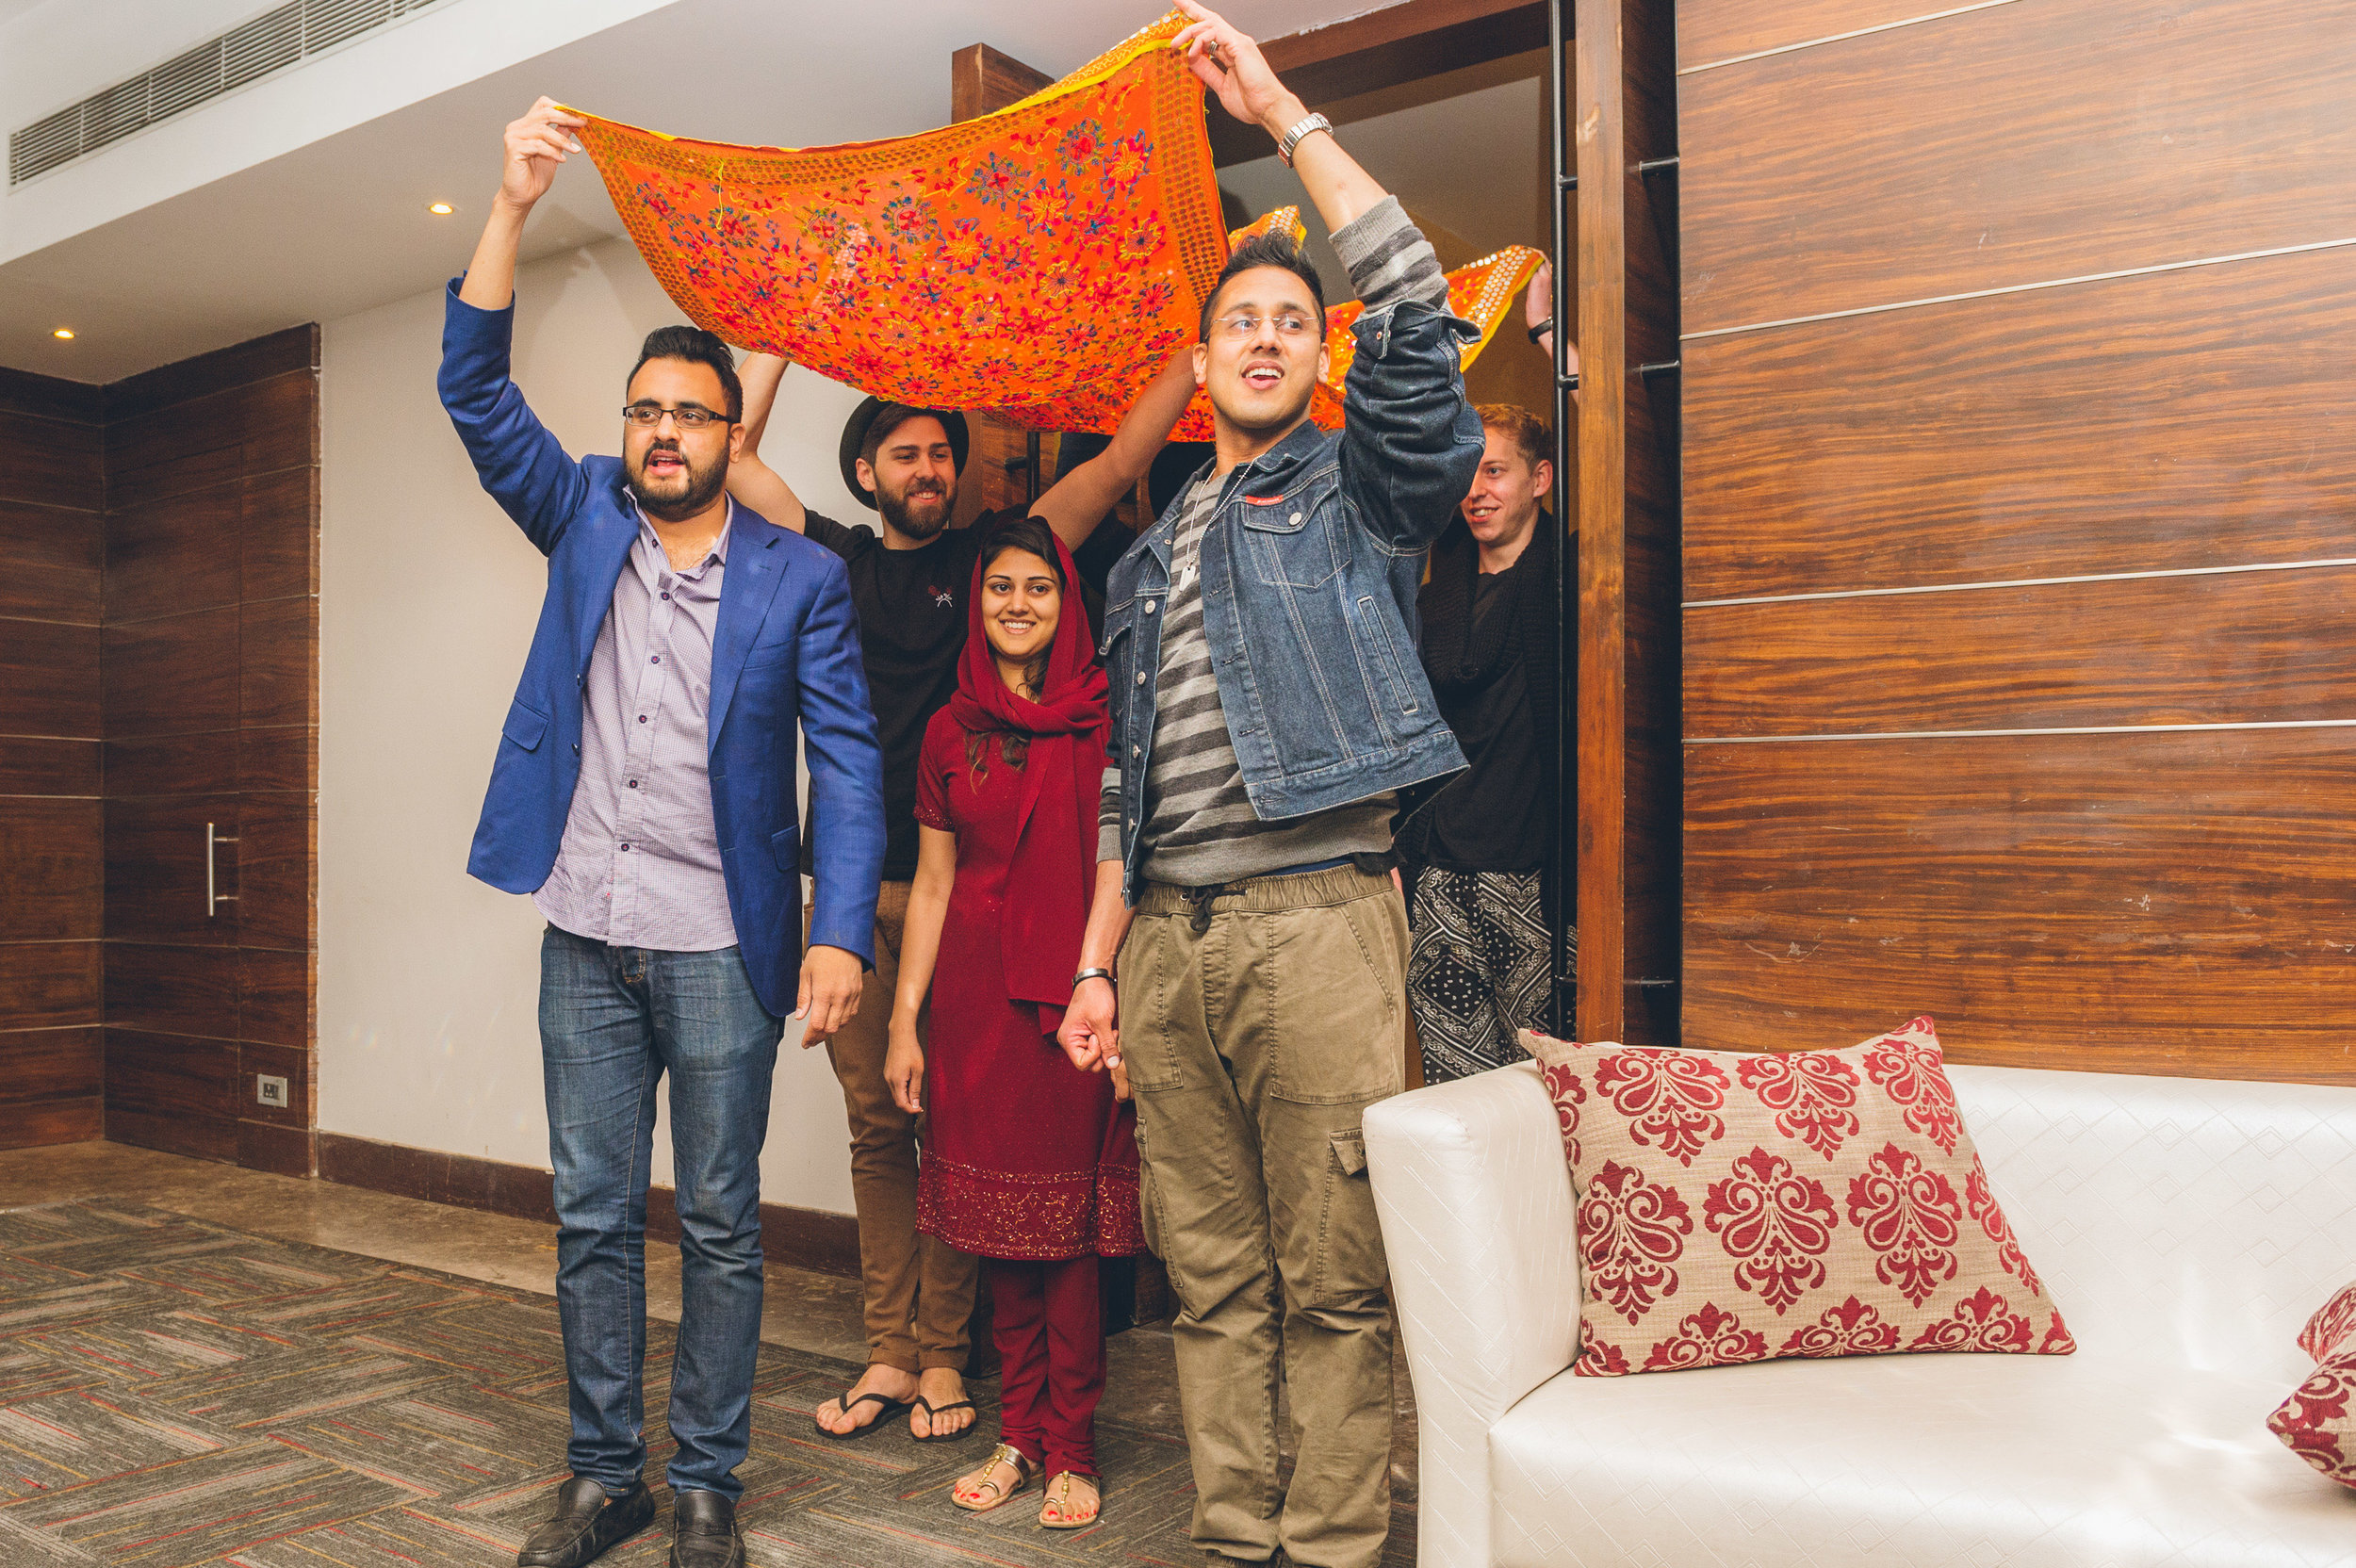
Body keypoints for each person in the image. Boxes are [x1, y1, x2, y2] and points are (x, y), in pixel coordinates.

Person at [1055, 7, 1485, 1565]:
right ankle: (1240, 1541)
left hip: (1316, 925)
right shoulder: (1155, 545)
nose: (1259, 336)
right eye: (1237, 317)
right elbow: (1125, 779)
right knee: (1212, 1277)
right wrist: (1100, 960)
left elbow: (1419, 303)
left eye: (1287, 323)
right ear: (1201, 352)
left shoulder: (1362, 487)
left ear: (1317, 357)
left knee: (1334, 1277)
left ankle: (1331, 1548)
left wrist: (1282, 106)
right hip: (1167, 943)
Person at [439, 99, 883, 1568]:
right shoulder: (577, 518)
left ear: (727, 433)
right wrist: (505, 207)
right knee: (585, 1215)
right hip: (585, 934)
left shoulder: (797, 578)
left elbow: (853, 761)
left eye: (692, 414)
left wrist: (836, 933)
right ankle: (601, 1474)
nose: (666, 433)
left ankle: (705, 1487)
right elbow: (471, 391)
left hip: (722, 951)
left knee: (724, 1226)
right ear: (625, 429)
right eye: (645, 412)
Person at [722, 351, 1195, 1441]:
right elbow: (735, 455)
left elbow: (1124, 456)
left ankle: (946, 1355)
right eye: (907, 453)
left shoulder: (1000, 557)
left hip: (971, 898)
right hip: (850, 898)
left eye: (942, 450)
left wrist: (1187, 352)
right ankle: (889, 1348)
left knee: (955, 1127)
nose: (929, 467)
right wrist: (785, 336)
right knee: (877, 1127)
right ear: (865, 470)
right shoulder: (833, 558)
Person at [879, 519, 1143, 1529]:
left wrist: (1109, 982)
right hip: (974, 1005)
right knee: (1000, 1230)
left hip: (1076, 998)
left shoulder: (1107, 720)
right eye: (999, 588)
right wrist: (905, 1021)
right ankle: (1017, 1435)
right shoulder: (950, 730)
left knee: (1067, 1238)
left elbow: (1128, 872)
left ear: (1068, 601)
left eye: (1039, 586)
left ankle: (1072, 1444)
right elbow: (934, 889)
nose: (1018, 604)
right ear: (977, 601)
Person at [1395, 404, 1565, 1083]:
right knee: (1456, 1089)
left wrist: (1559, 345)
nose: (1476, 490)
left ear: (1540, 478)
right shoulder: (1432, 601)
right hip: (1439, 879)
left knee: (1551, 1090)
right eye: (1466, 472)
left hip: (1535, 883)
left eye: (1494, 470)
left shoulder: (1572, 580)